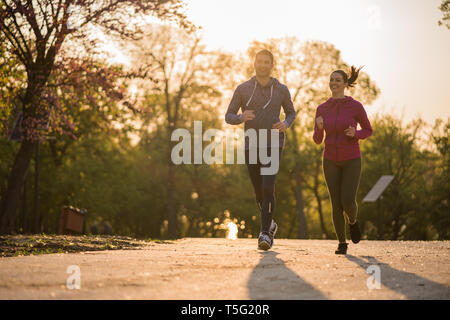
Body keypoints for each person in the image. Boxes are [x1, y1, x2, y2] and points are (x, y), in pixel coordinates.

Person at [225, 49, 296, 250]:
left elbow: (291, 113)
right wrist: (240, 117)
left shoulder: (282, 89)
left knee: (267, 188)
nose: (263, 65)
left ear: (272, 66)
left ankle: (265, 234)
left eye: (267, 62)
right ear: (254, 64)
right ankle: (270, 223)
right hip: (251, 143)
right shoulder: (243, 89)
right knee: (258, 191)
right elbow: (228, 116)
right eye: (260, 62)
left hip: (274, 143)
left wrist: (286, 124)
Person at [313, 66, 373, 255]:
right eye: (331, 79)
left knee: (347, 200)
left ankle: (353, 222)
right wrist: (319, 128)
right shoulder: (322, 108)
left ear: (346, 84)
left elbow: (368, 130)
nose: (334, 83)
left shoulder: (355, 106)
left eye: (338, 80)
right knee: (335, 203)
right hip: (330, 159)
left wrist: (356, 134)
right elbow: (316, 139)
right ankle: (341, 242)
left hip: (351, 158)